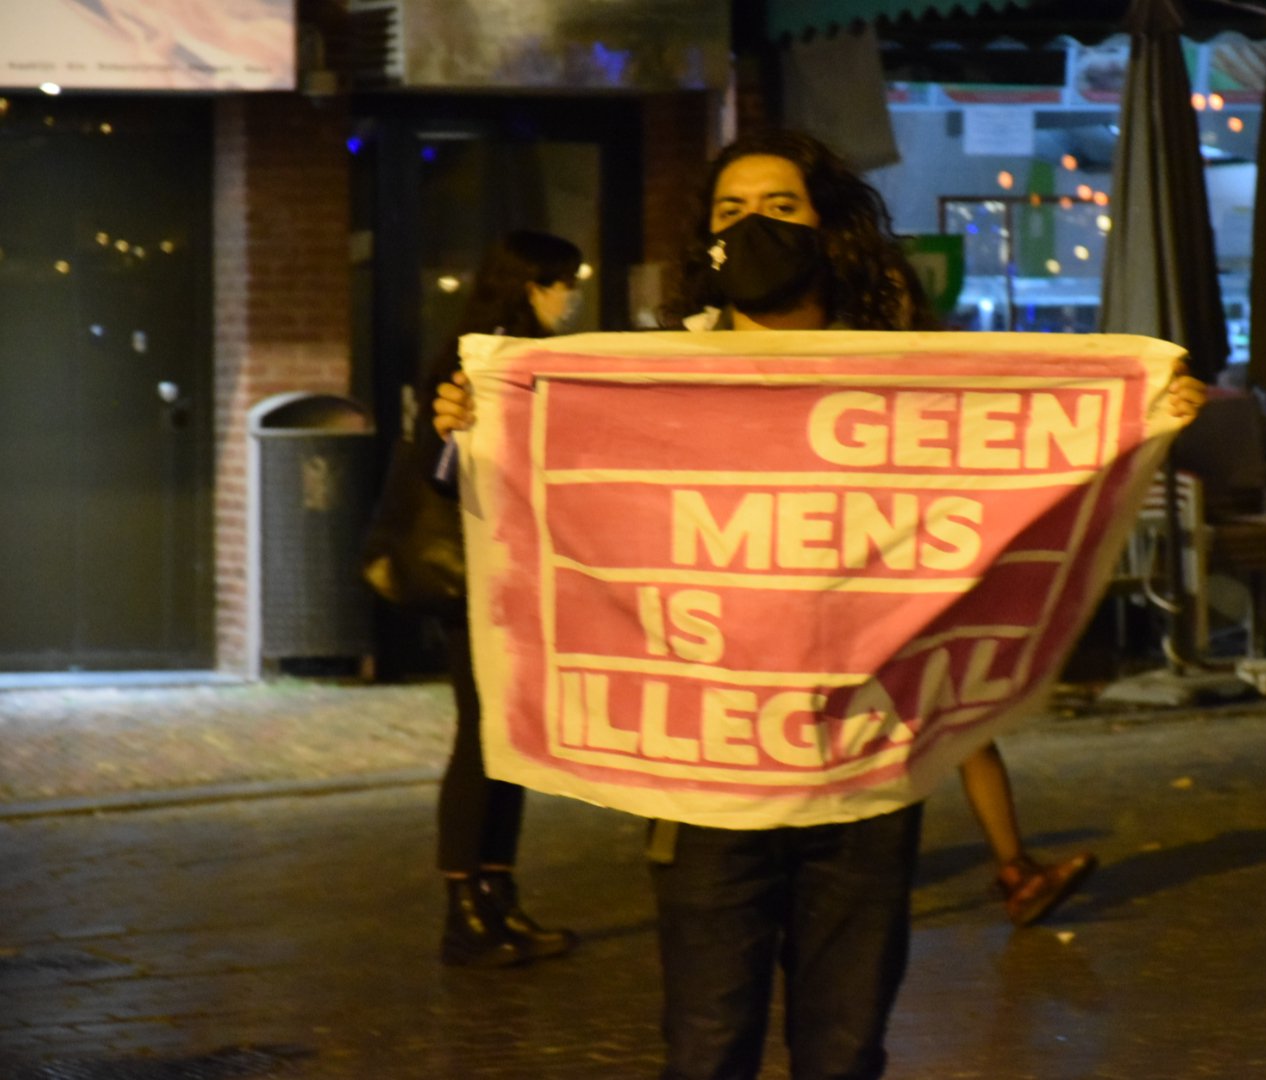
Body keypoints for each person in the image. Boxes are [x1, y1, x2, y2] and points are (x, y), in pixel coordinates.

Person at [434, 132, 1205, 1076]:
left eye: (780, 208)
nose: (754, 225)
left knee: (844, 1052)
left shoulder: (906, 378)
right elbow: (553, 489)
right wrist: (473, 430)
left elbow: (1018, 477)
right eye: (730, 213)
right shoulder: (644, 382)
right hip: (710, 785)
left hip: (867, 768)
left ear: (827, 229)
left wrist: (1146, 410)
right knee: (708, 1048)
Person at [425, 229, 585, 968]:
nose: (572, 298)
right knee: (481, 728)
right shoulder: (478, 362)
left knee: (511, 730)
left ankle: (497, 892)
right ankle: (464, 906)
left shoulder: (527, 364)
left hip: (514, 573)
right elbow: (430, 461)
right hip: (470, 575)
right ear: (531, 286)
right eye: (563, 284)